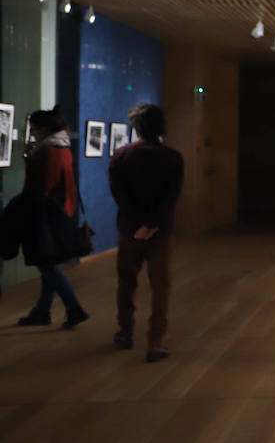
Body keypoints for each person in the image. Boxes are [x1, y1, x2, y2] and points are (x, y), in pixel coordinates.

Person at [108, 103, 184, 363]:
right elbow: (171, 197)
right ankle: (155, 341)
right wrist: (151, 224)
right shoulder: (172, 157)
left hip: (129, 230)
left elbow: (119, 195)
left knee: (126, 283)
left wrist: (138, 223)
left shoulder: (121, 155)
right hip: (161, 231)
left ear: (136, 127)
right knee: (161, 287)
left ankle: (125, 332)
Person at [16, 106, 91, 329]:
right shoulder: (62, 147)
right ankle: (42, 311)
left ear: (43, 129)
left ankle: (74, 308)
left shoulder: (46, 151)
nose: (32, 134)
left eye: (34, 129)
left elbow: (40, 186)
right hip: (61, 211)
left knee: (45, 264)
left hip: (46, 214)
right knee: (48, 262)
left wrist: (30, 158)